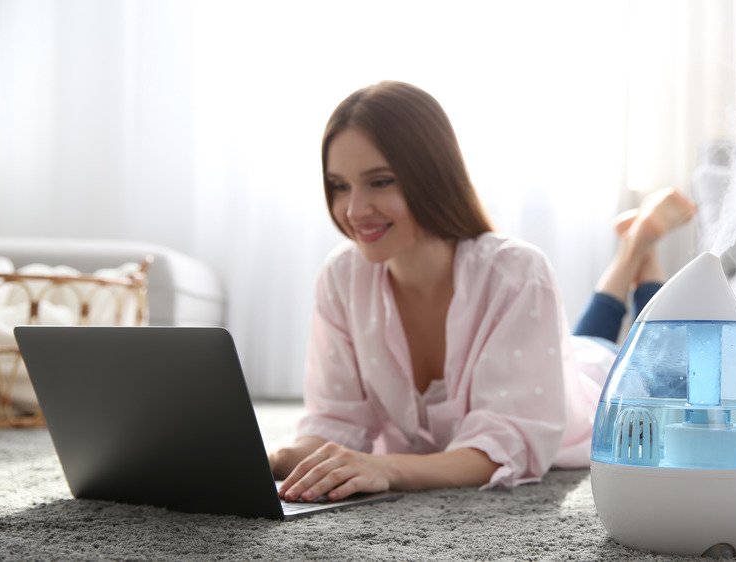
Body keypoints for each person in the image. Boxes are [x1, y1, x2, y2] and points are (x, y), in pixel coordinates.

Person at [268, 81, 696, 503]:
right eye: (339, 185)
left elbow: (504, 443)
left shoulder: (516, 272)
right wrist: (274, 458)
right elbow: (335, 422)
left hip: (597, 391)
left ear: (432, 175)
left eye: (380, 182)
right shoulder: (342, 277)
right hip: (560, 358)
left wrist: (387, 467)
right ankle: (634, 246)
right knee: (583, 339)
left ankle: (640, 245)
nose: (354, 210)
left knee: (666, 373)